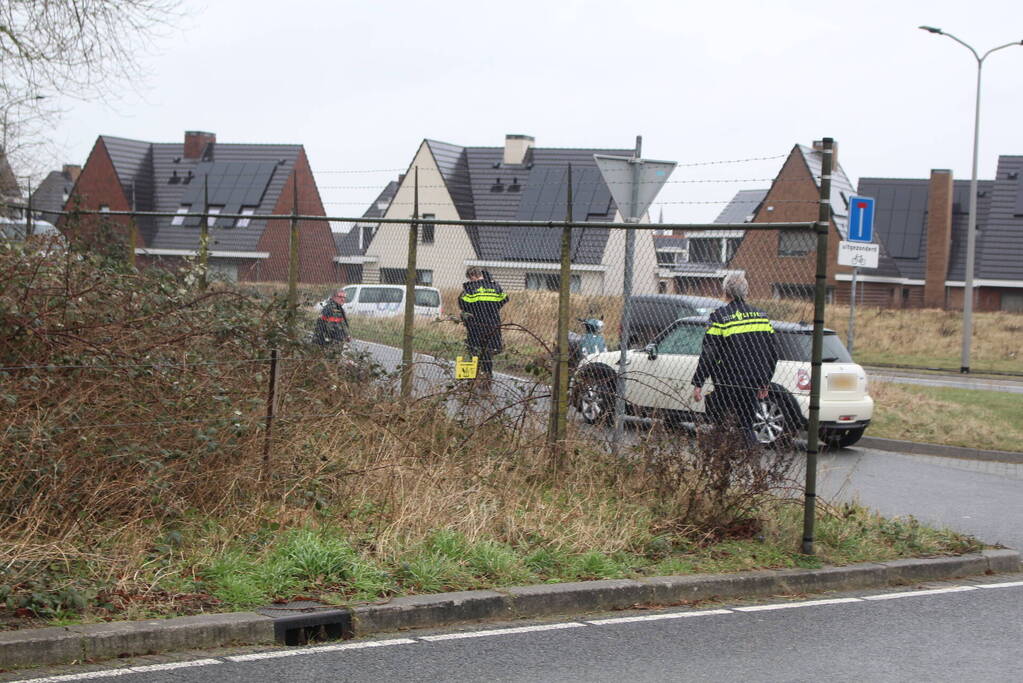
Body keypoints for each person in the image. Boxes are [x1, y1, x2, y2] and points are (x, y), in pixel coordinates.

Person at [691, 272, 779, 444]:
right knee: (747, 425)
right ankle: (751, 461)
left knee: (721, 424)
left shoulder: (719, 318)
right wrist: (765, 381)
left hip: (727, 381)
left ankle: (721, 461)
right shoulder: (761, 316)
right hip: (753, 381)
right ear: (746, 292)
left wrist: (698, 383)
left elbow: (709, 353)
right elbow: (773, 352)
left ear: (725, 292)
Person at [458, 267, 508, 380]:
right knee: (488, 352)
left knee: (474, 351)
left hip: (475, 325)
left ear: (472, 276)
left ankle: (471, 379)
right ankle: (487, 376)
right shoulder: (495, 286)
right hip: (492, 324)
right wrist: (492, 308)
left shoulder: (470, 289)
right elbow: (504, 299)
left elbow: (462, 304)